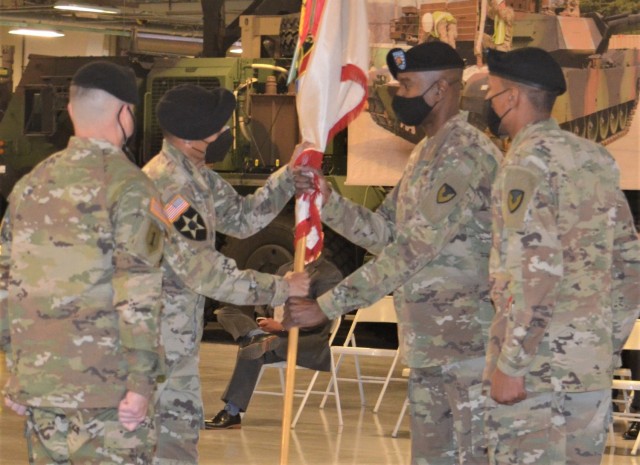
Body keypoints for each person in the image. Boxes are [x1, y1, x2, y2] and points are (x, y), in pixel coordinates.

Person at [286, 41, 502, 465]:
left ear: (440, 90)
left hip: (470, 351)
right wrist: (328, 202)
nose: (398, 96)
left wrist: (328, 306)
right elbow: (387, 233)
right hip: (427, 348)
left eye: (406, 86)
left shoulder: (465, 154)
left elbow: (411, 251)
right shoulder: (426, 152)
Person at [0, 61, 166, 464]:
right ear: (124, 113)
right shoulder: (130, 187)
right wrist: (140, 384)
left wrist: (17, 373)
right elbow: (139, 293)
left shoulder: (30, 185)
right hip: (107, 394)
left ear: (72, 111)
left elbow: (7, 282)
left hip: (41, 386)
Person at [483, 46, 640, 464]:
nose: (489, 101)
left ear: (512, 98)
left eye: (493, 92)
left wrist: (513, 363)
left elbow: (536, 272)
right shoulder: (595, 157)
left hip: (536, 376)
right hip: (587, 371)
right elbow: (630, 265)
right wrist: (602, 346)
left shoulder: (523, 164)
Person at [143, 83, 309, 465]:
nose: (225, 136)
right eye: (220, 128)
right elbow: (207, 273)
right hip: (155, 347)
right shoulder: (171, 185)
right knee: (169, 447)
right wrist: (280, 287)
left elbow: (244, 218)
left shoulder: (196, 176)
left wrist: (289, 175)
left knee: (177, 443)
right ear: (195, 134)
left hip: (174, 341)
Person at [205, 257, 343, 429]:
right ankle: (255, 334)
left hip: (303, 339)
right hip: (273, 332)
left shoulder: (327, 273)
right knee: (225, 312)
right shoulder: (285, 267)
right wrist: (263, 318)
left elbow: (322, 315)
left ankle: (232, 412)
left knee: (254, 348)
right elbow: (266, 304)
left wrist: (282, 326)